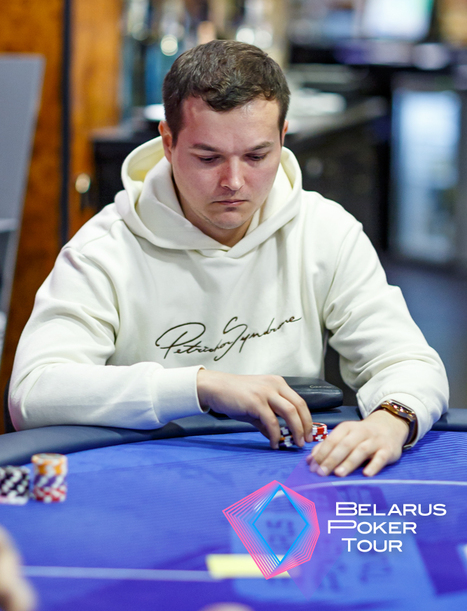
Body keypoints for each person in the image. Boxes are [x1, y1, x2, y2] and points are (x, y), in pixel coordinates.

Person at [9, 40, 448, 477]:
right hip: (147, 475)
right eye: (208, 157)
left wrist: (392, 420)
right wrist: (202, 386)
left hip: (285, 476)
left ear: (283, 137)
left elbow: (408, 361)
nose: (234, 182)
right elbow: (33, 393)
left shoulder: (325, 230)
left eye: (257, 156)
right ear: (168, 142)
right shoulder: (104, 249)